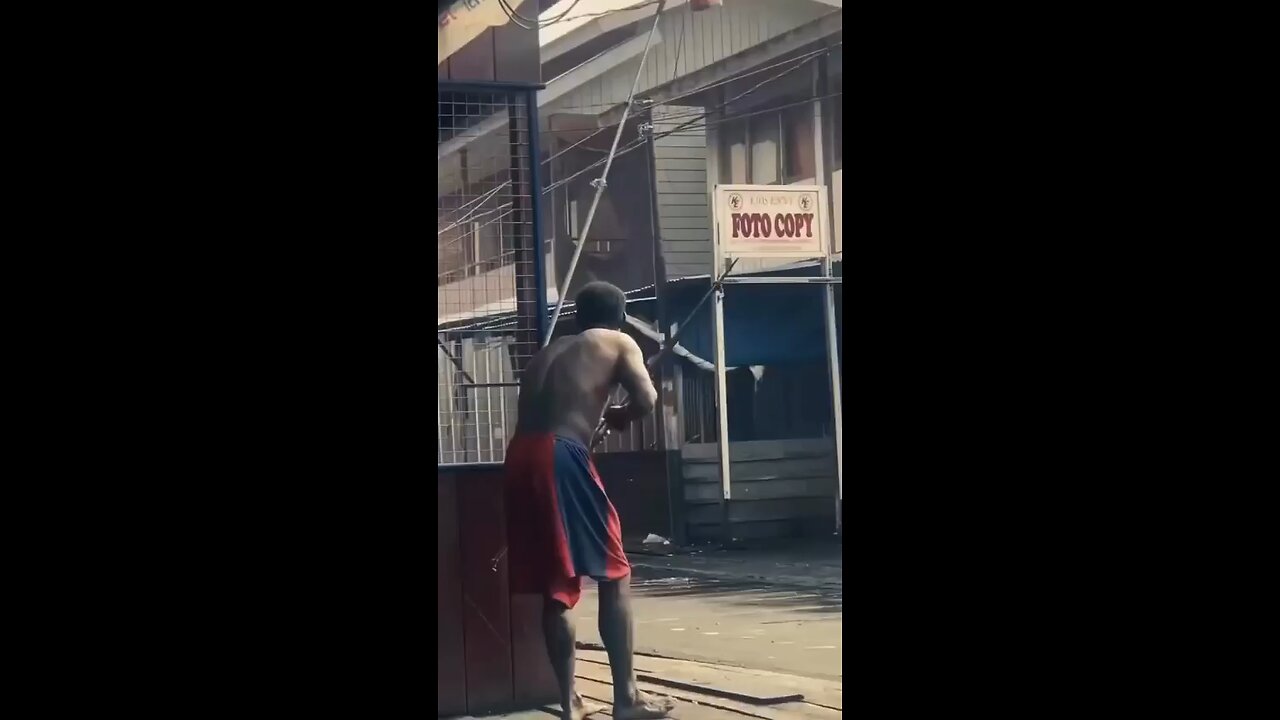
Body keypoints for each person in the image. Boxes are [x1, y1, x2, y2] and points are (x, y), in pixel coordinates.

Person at [504, 281, 674, 720]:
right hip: (560, 456)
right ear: (619, 318)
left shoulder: (549, 350)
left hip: (521, 454)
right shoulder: (618, 341)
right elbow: (647, 399)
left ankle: (569, 702)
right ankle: (626, 700)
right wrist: (619, 416)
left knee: (555, 583)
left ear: (578, 317)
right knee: (615, 572)